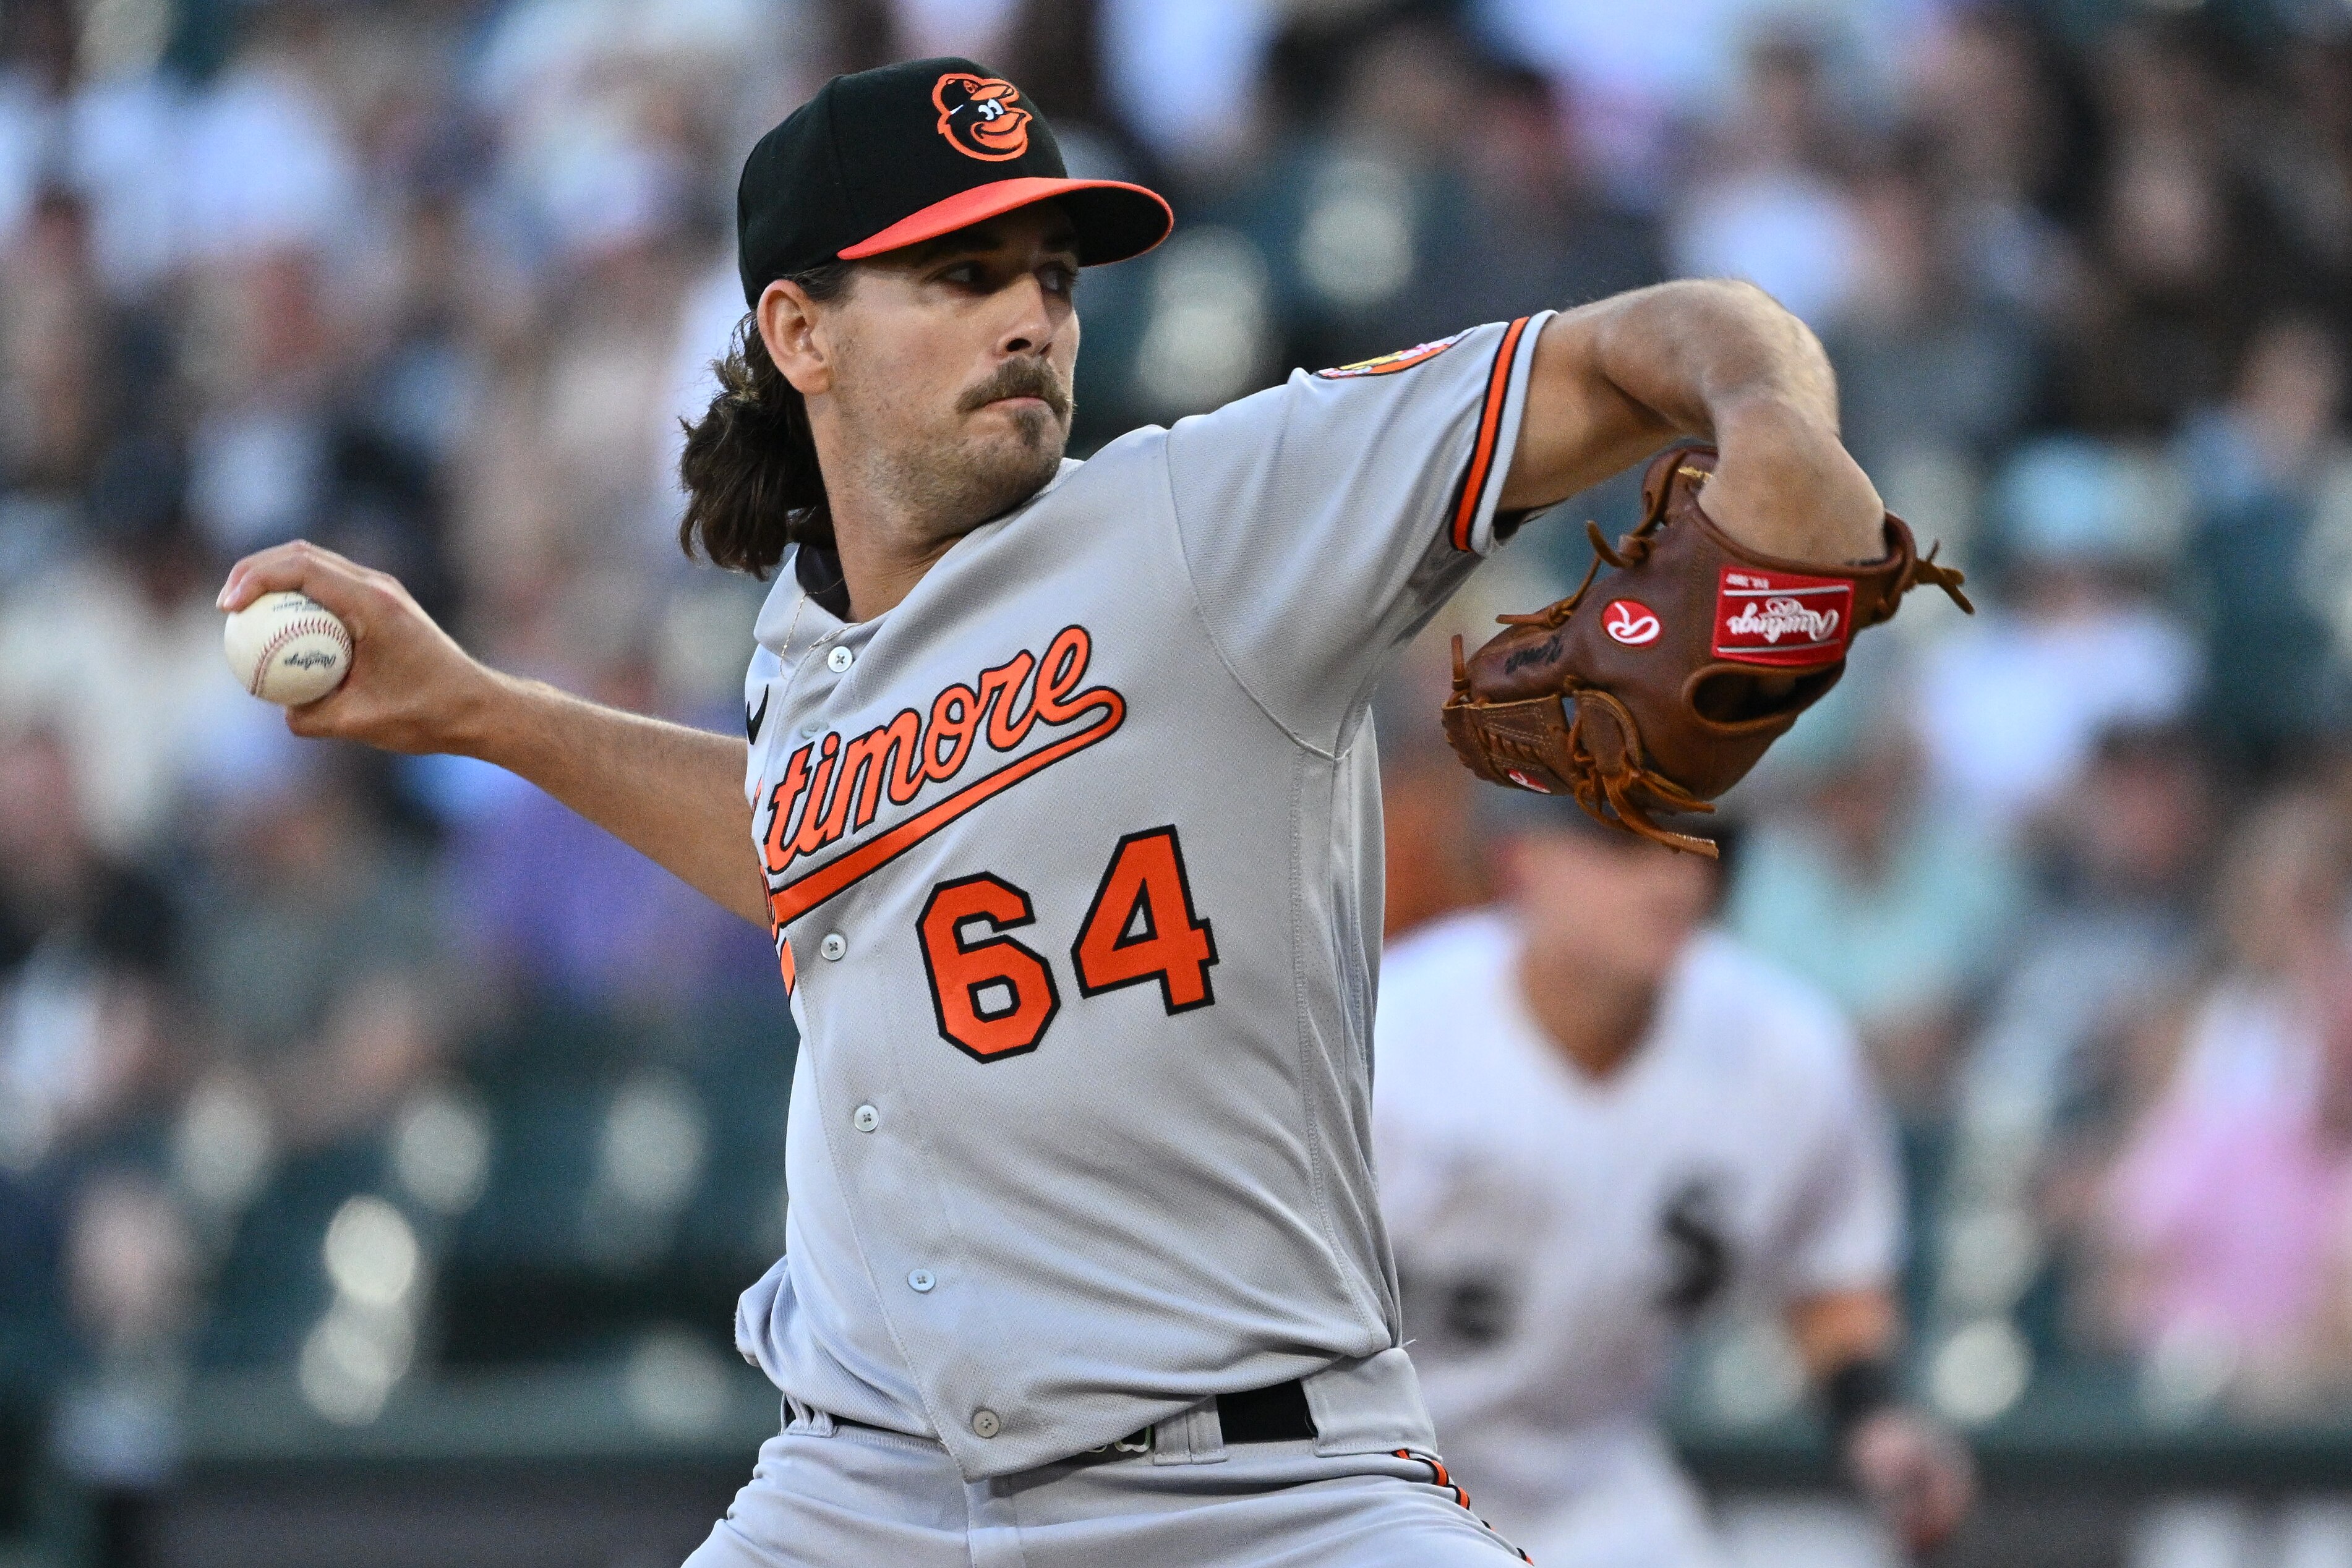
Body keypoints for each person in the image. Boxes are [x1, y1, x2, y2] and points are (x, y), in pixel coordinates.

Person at [217, 55, 1912, 1568]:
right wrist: (483, 714)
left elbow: (1662, 339)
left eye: (1047, 278)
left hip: (1262, 1494)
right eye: (960, 277)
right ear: (799, 333)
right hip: (859, 1489)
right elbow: (820, 857)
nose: (1029, 316)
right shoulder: (806, 646)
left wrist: (1772, 414)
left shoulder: (1216, 518)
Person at [1374, 795, 1974, 1566]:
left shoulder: (1782, 1050)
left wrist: (1873, 1417)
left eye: (1701, 842)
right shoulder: (1386, 1036)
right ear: (1520, 860)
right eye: (1624, 841)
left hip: (1591, 1483)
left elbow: (1830, 1272)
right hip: (1363, 1476)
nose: (1674, 877)